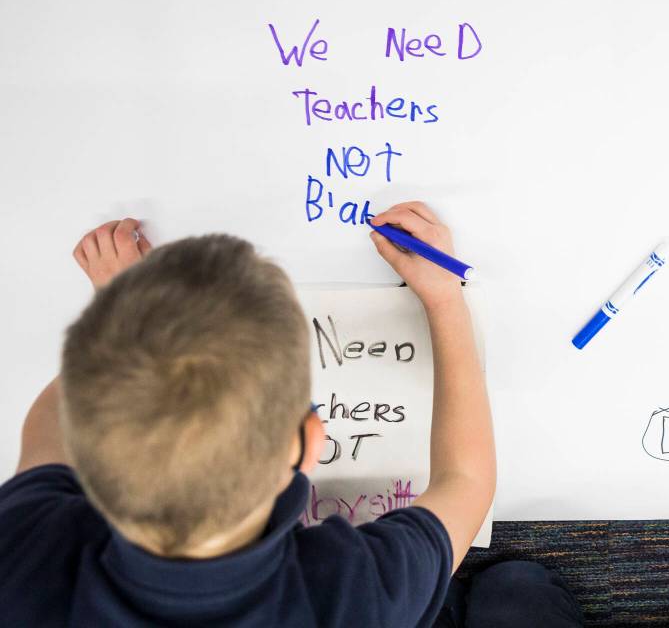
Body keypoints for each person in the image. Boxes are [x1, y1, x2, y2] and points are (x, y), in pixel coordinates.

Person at [0, 202, 573, 626]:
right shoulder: (358, 594)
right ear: (308, 440)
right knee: (515, 590)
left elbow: (48, 431)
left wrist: (126, 315)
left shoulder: (26, 557)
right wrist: (446, 298)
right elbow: (467, 481)